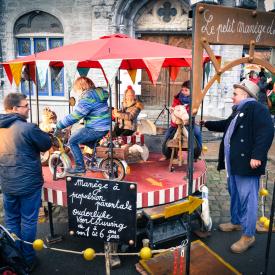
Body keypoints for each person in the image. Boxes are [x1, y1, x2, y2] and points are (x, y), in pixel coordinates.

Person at [201, 79, 274, 254]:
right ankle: (235, 222)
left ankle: (248, 236)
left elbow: (267, 131)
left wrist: (257, 155)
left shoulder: (257, 108)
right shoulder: (239, 111)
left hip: (247, 163)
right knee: (234, 193)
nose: (232, 97)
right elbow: (225, 125)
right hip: (233, 163)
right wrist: (206, 124)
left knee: (248, 199)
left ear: (245, 94)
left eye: (235, 94)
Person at [0, 93, 52, 270]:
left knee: (12, 220)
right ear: (14, 108)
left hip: (7, 182)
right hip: (28, 184)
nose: (28, 108)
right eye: (25, 105)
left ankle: (16, 257)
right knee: (28, 221)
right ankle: (28, 258)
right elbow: (46, 144)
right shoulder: (28, 128)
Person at [55, 76, 110, 174]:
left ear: (81, 88)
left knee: (72, 140)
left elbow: (75, 116)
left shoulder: (87, 98)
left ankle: (80, 167)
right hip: (104, 127)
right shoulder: (98, 94)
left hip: (95, 128)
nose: (76, 93)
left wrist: (59, 125)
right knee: (83, 138)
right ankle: (95, 158)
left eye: (76, 90)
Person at [161, 80, 202, 160]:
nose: (183, 92)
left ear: (191, 91)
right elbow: (175, 110)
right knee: (167, 135)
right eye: (182, 89)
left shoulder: (194, 101)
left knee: (197, 133)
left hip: (188, 124)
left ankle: (196, 154)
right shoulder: (177, 99)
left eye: (186, 90)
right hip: (176, 124)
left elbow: (193, 112)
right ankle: (167, 154)